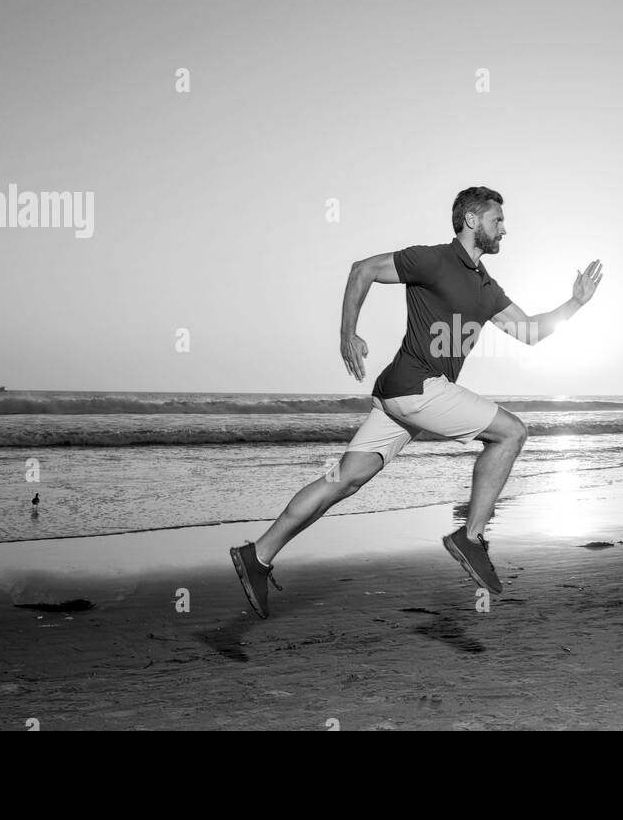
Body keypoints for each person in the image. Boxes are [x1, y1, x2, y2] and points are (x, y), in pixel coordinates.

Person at [231, 186, 603, 617]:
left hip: (398, 397)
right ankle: (471, 536)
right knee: (511, 432)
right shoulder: (434, 259)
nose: (505, 228)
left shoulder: (486, 287)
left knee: (345, 480)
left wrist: (575, 302)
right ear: (471, 221)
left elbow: (531, 332)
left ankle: (256, 556)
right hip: (417, 386)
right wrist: (346, 333)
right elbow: (362, 270)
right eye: (497, 220)